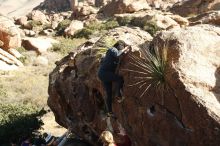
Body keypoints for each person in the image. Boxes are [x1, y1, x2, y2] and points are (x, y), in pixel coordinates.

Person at [98, 40, 130, 117]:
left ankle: (109, 112)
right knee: (119, 79)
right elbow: (118, 54)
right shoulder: (112, 49)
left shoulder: (112, 53)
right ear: (119, 45)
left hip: (103, 74)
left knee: (109, 94)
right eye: (122, 46)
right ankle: (118, 96)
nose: (123, 47)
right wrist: (126, 49)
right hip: (104, 73)